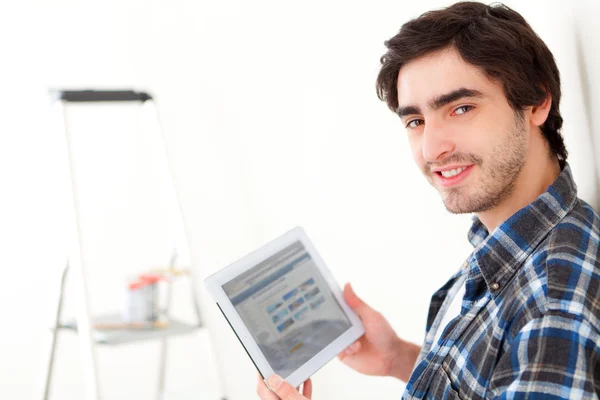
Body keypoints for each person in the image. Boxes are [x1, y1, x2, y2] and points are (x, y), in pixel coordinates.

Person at [257, 2, 600, 399]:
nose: (433, 148)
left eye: (461, 108)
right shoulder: (510, 240)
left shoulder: (553, 305)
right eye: (416, 121)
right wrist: (399, 359)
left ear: (537, 102)